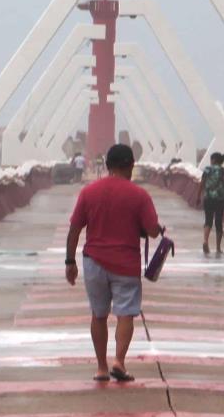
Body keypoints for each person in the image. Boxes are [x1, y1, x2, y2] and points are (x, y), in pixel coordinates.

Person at [65, 144, 162, 383]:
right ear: (130, 165)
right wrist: (156, 228)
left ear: (107, 165)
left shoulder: (89, 192)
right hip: (126, 262)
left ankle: (101, 367)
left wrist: (70, 261)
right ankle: (119, 361)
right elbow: (151, 231)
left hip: (93, 262)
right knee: (125, 314)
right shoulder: (140, 195)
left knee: (98, 315)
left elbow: (75, 229)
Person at [199, 152, 224, 255]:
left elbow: (202, 183)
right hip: (220, 199)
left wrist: (198, 196)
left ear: (213, 160)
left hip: (208, 198)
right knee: (218, 222)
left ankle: (205, 241)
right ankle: (218, 247)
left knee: (208, 220)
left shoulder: (207, 169)